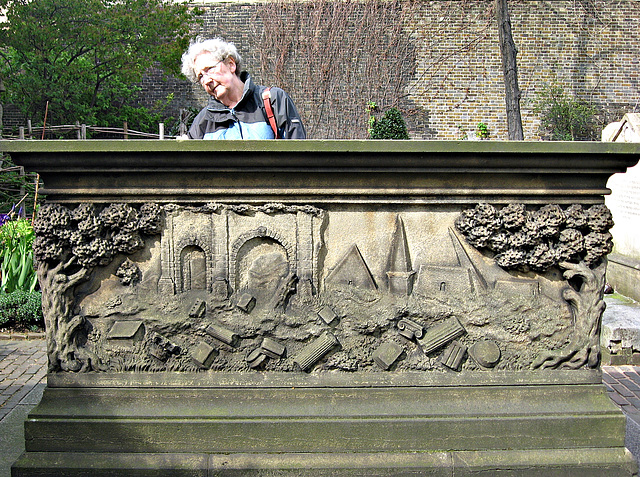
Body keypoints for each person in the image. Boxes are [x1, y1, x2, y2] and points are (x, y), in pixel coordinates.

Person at [181, 38, 306, 140]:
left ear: (231, 64)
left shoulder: (272, 101)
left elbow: (298, 157)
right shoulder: (203, 121)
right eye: (200, 76)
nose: (207, 80)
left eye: (210, 69)